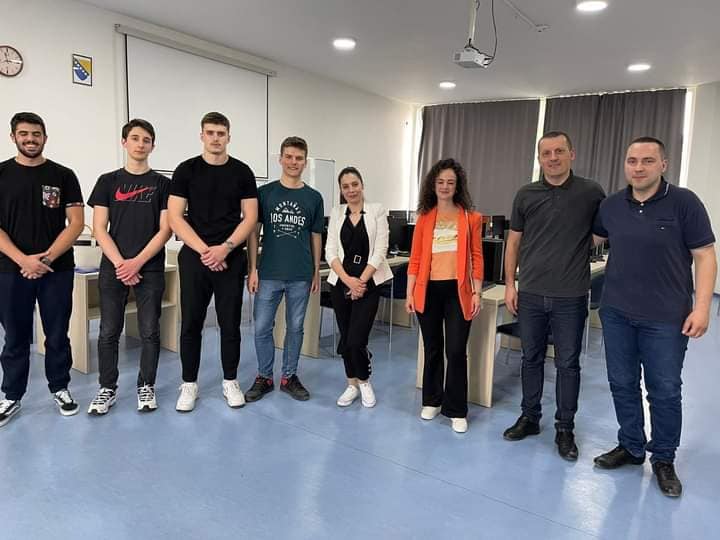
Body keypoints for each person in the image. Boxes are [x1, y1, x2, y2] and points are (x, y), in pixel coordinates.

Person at [592, 136, 716, 498]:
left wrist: (702, 308)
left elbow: (705, 256)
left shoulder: (684, 203)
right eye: (632, 161)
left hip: (665, 318)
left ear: (663, 165)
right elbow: (590, 240)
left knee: (664, 390)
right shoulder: (611, 206)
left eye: (647, 161)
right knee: (622, 383)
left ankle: (663, 458)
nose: (639, 167)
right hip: (616, 312)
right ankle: (631, 446)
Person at [502, 131, 605, 460]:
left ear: (571, 154)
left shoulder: (591, 192)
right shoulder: (526, 194)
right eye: (546, 153)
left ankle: (565, 428)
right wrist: (510, 284)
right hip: (531, 292)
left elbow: (601, 233)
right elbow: (514, 242)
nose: (553, 158)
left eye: (559, 151)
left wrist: (574, 247)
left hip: (570, 295)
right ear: (539, 158)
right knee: (530, 358)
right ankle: (530, 417)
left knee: (567, 364)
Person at [167, 112, 258, 412]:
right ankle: (189, 383)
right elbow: (175, 217)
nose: (216, 138)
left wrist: (226, 248)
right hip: (195, 258)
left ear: (229, 136)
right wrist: (207, 251)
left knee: (230, 323)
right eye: (210, 132)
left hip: (231, 259)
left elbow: (250, 218)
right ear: (202, 135)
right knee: (191, 322)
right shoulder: (186, 170)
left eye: (221, 133)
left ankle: (230, 381)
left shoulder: (242, 172)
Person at [0, 112, 84, 427]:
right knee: (15, 336)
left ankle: (60, 388)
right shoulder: (2, 174)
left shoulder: (64, 175)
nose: (30, 139)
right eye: (24, 134)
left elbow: (76, 223)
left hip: (56, 270)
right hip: (10, 270)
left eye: (36, 134)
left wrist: (45, 260)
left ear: (45, 137)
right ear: (13, 137)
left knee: (57, 333)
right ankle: (11, 395)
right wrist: (24, 260)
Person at [86, 119, 171, 415]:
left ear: (152, 146)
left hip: (150, 267)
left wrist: (137, 262)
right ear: (124, 142)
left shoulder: (163, 184)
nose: (140, 144)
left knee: (149, 330)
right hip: (114, 267)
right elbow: (99, 228)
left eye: (146, 140)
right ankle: (107, 388)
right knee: (109, 331)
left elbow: (165, 230)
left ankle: (146, 385)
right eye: (135, 138)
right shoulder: (107, 181)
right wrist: (122, 263)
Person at [405, 158, 483, 433]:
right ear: (433, 185)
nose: (445, 186)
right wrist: (410, 292)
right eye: (440, 182)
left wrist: (477, 292)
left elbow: (476, 256)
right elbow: (415, 259)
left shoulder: (471, 218)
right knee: (433, 348)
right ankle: (432, 400)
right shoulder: (425, 218)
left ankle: (456, 409)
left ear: (458, 186)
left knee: (456, 350)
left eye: (450, 182)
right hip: (428, 290)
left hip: (458, 292)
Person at [246, 137, 324, 402]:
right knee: (261, 328)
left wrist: (316, 271)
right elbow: (253, 233)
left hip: (300, 275)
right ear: (280, 159)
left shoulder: (314, 197)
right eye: (289, 157)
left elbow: (316, 236)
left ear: (305, 162)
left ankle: (289, 377)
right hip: (268, 273)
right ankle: (265, 377)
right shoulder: (265, 194)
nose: (293, 162)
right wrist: (253, 268)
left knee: (296, 328)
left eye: (299, 158)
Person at [325, 167, 393, 408]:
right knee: (346, 338)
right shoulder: (337, 213)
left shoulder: (377, 210)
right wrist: (348, 281)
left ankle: (364, 382)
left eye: (354, 184)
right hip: (341, 283)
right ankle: (351, 384)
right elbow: (330, 251)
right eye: (345, 186)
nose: (351, 190)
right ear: (341, 190)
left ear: (362, 185)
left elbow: (380, 251)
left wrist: (360, 282)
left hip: (368, 284)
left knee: (356, 339)